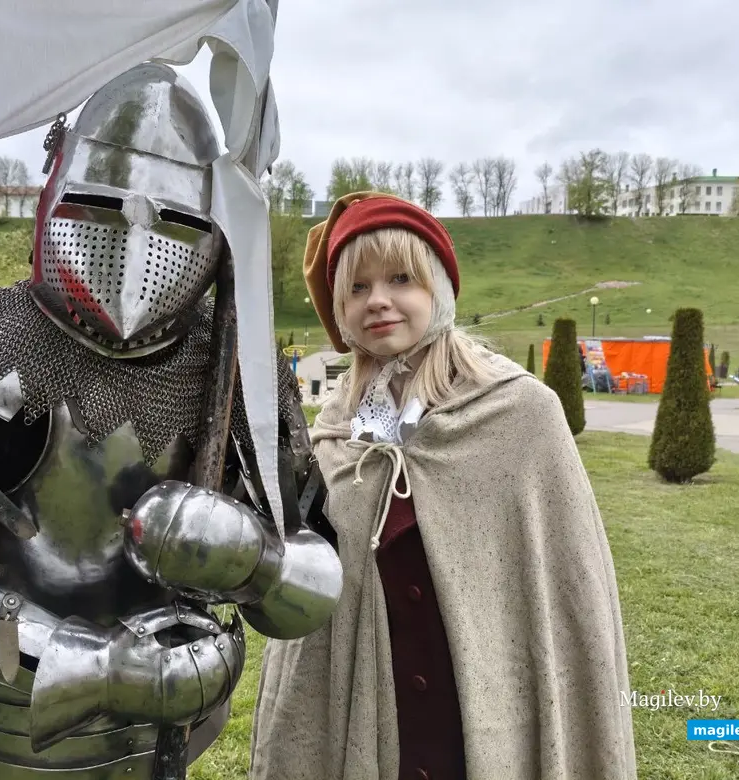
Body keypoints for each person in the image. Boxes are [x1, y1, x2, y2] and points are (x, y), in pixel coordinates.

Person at [0, 64, 341, 780]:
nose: (137, 246)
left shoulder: (236, 363)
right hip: (2, 736)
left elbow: (318, 565)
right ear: (55, 194)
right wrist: (96, 665)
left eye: (172, 220)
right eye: (101, 209)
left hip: (167, 739)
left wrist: (254, 559)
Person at [250, 192, 636, 780]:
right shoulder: (332, 434)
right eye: (357, 287)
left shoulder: (521, 414)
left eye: (400, 278)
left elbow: (570, 593)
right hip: (370, 719)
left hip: (486, 713)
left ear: (439, 291)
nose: (377, 300)